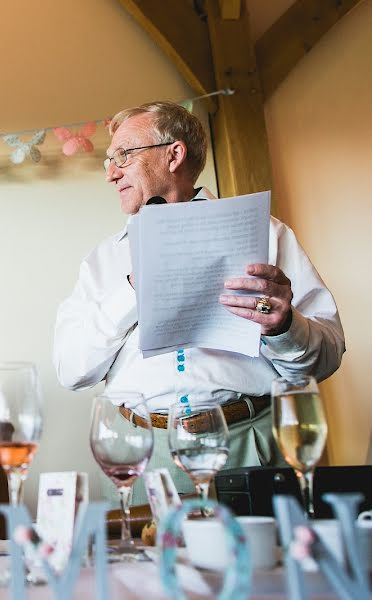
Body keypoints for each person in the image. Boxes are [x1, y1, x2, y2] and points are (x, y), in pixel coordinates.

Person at [53, 101, 345, 501]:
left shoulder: (268, 235)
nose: (110, 173)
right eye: (109, 160)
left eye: (123, 155)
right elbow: (71, 371)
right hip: (142, 456)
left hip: (250, 446)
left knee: (264, 564)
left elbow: (326, 357)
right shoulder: (102, 262)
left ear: (174, 154)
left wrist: (284, 326)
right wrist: (134, 288)